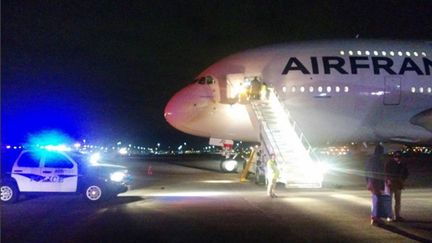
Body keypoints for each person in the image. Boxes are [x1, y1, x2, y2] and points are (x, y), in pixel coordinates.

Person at [385, 151, 409, 222]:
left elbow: (406, 173)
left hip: (398, 184)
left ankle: (397, 216)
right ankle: (389, 216)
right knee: (390, 201)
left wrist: (402, 179)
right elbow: (386, 172)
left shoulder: (402, 164)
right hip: (391, 184)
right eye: (396, 156)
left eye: (399, 157)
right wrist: (388, 180)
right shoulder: (390, 163)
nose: (397, 158)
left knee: (397, 201)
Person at [365, 144, 386, 225]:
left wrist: (368, 182)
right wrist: (381, 185)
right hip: (376, 182)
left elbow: (366, 171)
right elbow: (379, 173)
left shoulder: (370, 159)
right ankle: (375, 218)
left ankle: (374, 217)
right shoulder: (378, 160)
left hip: (372, 182)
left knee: (375, 200)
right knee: (377, 200)